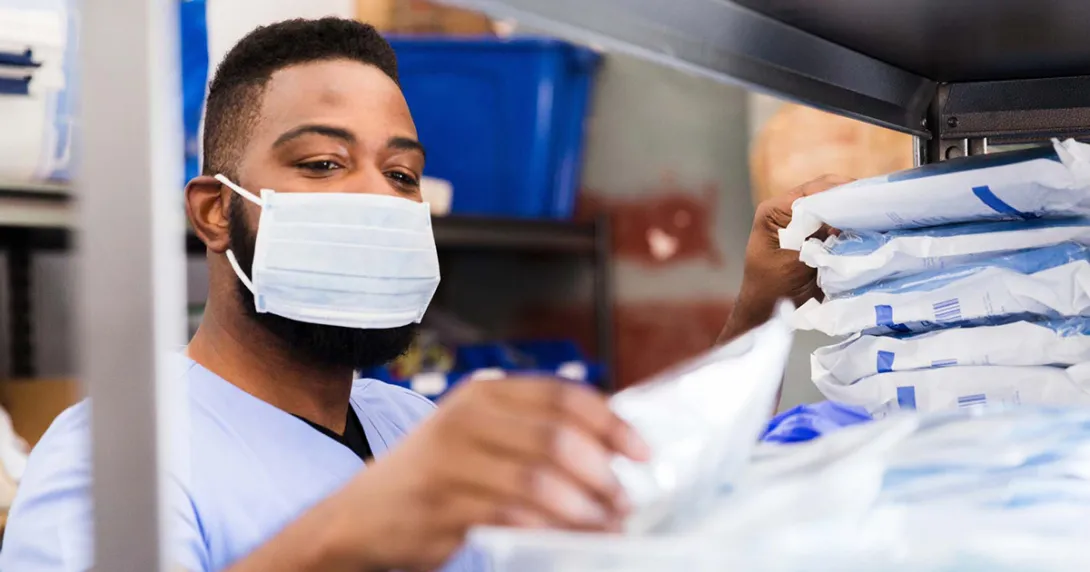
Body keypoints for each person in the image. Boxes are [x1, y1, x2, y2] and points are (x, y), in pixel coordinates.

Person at [0, 17, 844, 572]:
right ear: (217, 212)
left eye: (401, 173)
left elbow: (658, 496)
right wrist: (361, 527)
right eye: (323, 164)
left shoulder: (405, 423)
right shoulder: (116, 462)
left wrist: (761, 310)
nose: (375, 197)